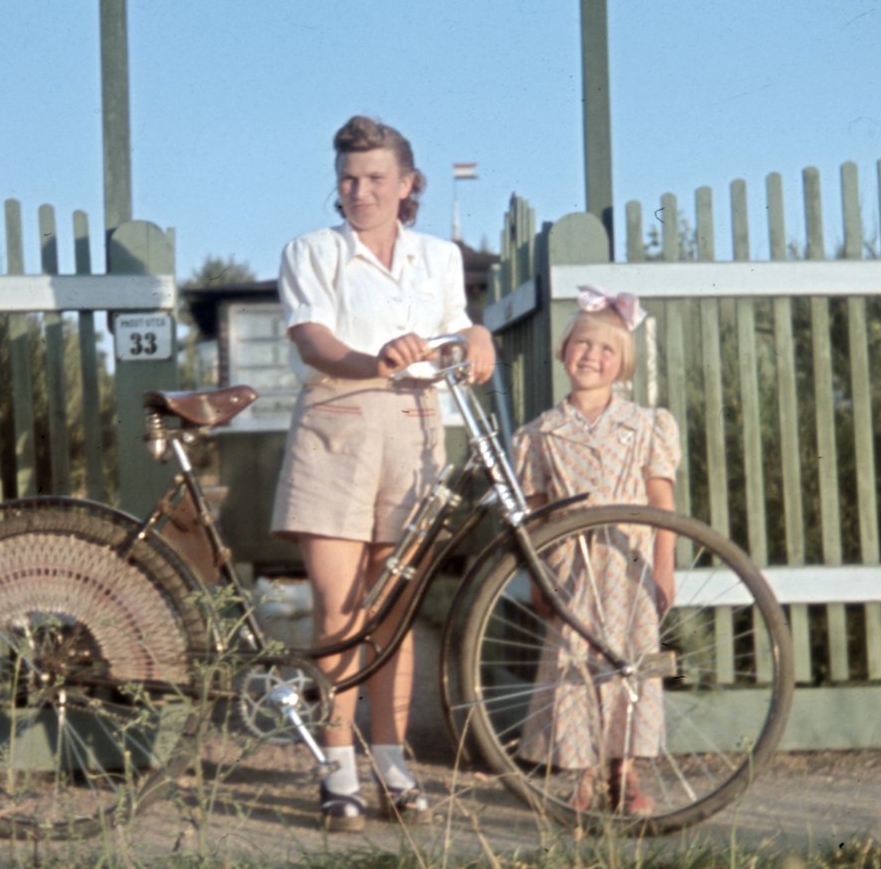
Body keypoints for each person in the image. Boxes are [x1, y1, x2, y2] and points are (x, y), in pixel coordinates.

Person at [271, 115, 495, 830]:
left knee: (394, 616)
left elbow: (455, 326)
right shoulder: (312, 250)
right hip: (338, 425)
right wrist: (376, 362)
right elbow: (313, 339)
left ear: (407, 185)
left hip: (417, 429)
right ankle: (338, 770)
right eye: (348, 177)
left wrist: (478, 334)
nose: (360, 189)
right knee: (341, 611)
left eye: (375, 177)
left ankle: (391, 760)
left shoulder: (437, 255)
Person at [508, 286, 679, 816]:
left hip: (629, 565)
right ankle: (581, 776)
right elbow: (533, 515)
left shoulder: (646, 425)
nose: (592, 357)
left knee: (632, 666)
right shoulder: (540, 434)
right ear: (564, 352)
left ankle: (623, 775)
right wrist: (538, 575)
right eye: (583, 345)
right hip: (572, 568)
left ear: (623, 365)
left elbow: (661, 501)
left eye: (607, 350)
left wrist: (665, 569)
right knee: (573, 667)